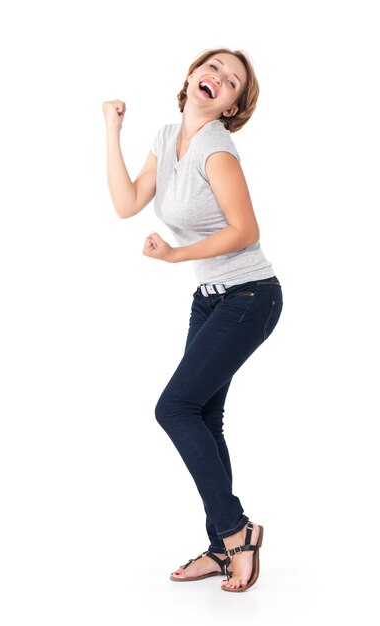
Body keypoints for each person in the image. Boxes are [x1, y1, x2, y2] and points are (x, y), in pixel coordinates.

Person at [102, 47, 283, 593]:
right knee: (202, 416)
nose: (218, 79)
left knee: (174, 408)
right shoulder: (166, 138)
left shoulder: (217, 150)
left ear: (230, 107)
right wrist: (111, 131)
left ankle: (236, 531)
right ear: (191, 75)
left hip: (250, 297)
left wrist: (174, 256)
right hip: (211, 297)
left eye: (231, 82)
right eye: (214, 68)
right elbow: (128, 202)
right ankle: (221, 544)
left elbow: (246, 231)